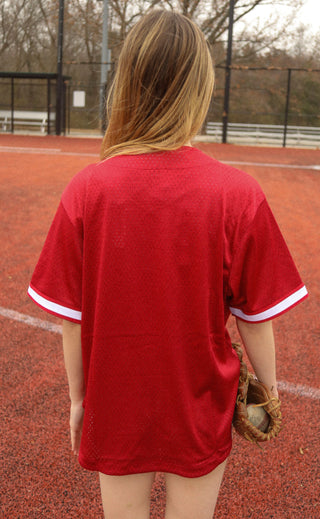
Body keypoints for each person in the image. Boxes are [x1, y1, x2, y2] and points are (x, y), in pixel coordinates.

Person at [28, 9, 308, 519]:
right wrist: (267, 390)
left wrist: (78, 399)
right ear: (200, 88)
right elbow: (255, 317)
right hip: (200, 398)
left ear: (128, 82)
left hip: (115, 400)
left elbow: (72, 319)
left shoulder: (87, 190)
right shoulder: (237, 193)